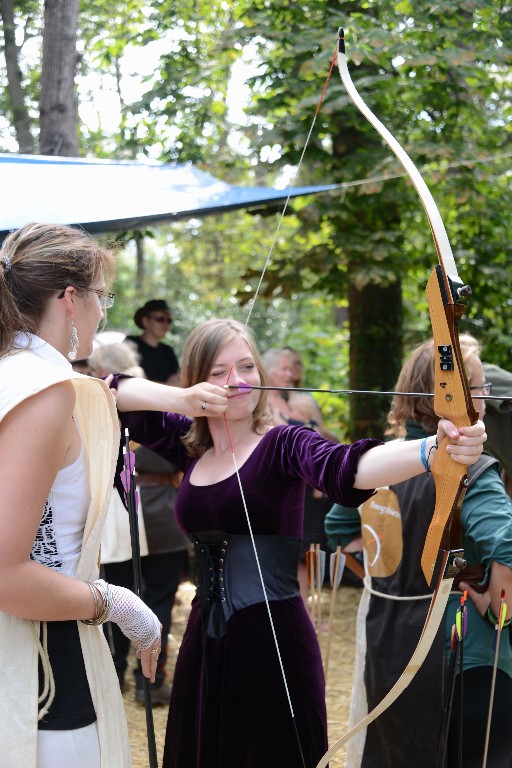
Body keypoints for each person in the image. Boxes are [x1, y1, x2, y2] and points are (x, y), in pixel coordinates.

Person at [110, 318, 486, 768]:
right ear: (197, 382)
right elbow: (104, 391)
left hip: (272, 643)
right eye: (218, 372)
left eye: (247, 366)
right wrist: (183, 400)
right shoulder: (188, 444)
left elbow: (348, 468)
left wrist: (433, 451)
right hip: (203, 643)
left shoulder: (284, 443)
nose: (237, 381)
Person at [0, 222, 164, 768]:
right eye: (101, 296)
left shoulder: (18, 378)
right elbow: (5, 570)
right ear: (70, 299)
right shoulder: (41, 392)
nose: (103, 311)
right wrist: (115, 602)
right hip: (39, 663)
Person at [325, 335, 512, 768]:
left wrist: (388, 575)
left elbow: (338, 527)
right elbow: (506, 548)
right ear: (448, 398)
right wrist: (486, 596)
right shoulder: (474, 470)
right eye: (478, 387)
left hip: (389, 640)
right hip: (464, 649)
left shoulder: (384, 460)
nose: (484, 397)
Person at [125, 299, 181, 385]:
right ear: (145, 321)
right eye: (160, 319)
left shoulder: (168, 351)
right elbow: (126, 379)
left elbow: (177, 380)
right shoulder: (130, 344)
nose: (166, 324)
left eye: (169, 320)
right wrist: (166, 384)